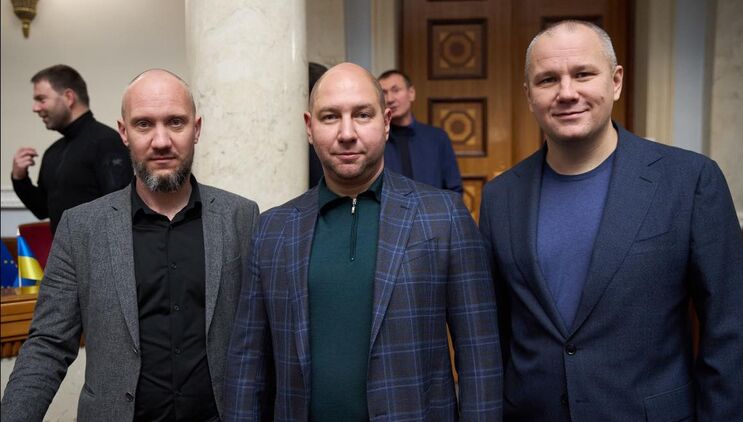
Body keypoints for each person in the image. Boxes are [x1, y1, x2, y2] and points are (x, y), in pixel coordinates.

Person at [479, 20, 743, 421]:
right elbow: (496, 330)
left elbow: (729, 329)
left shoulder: (689, 181)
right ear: (529, 95)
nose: (566, 92)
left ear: (616, 81)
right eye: (548, 79)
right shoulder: (500, 196)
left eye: (583, 74)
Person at [223, 63, 502, 421]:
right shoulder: (272, 230)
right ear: (309, 127)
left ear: (386, 122)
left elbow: (480, 357)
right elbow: (248, 364)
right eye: (330, 117)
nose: (346, 133)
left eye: (362, 115)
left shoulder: (443, 216)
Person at [1, 69, 260, 422]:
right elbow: (48, 344)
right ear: (124, 133)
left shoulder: (241, 217)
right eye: (143, 124)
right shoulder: (81, 228)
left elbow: (263, 337)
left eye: (175, 122)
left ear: (196, 129)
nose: (161, 140)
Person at [11, 64, 133, 235]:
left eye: (41, 99)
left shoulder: (106, 142)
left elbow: (120, 214)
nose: (35, 108)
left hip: (101, 252)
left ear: (68, 97)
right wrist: (20, 179)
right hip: (63, 252)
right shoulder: (52, 152)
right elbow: (42, 210)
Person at [378, 70, 463, 194]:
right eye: (384, 93)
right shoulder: (376, 141)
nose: (390, 99)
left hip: (434, 206)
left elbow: (454, 188)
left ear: (411, 93)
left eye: (396, 90)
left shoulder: (437, 138)